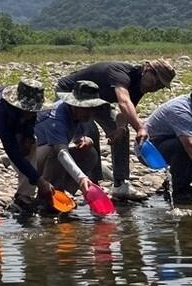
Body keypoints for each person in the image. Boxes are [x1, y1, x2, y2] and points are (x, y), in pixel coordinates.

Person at [55, 60, 175, 200]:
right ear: (147, 70)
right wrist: (140, 128)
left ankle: (120, 184)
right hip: (71, 93)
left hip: (97, 100)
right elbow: (124, 101)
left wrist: (121, 127)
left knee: (122, 132)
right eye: (157, 82)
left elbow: (126, 111)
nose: (156, 88)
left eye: (161, 86)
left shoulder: (140, 86)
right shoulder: (121, 75)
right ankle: (94, 184)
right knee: (90, 133)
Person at [29, 80, 109, 208]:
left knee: (90, 153)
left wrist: (87, 140)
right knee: (55, 151)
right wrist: (81, 178)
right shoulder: (56, 117)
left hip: (47, 154)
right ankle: (47, 195)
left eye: (92, 108)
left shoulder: (80, 115)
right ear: (74, 105)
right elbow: (61, 152)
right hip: (29, 159)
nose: (90, 113)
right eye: (86, 108)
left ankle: (62, 193)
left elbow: (76, 138)